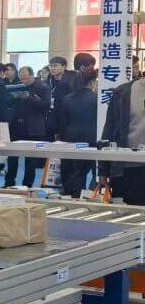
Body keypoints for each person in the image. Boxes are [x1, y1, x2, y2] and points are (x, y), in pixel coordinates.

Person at [101, 68, 145, 204]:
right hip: (127, 165)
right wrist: (103, 169)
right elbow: (109, 129)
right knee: (126, 212)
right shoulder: (123, 92)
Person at [5, 65, 50, 188]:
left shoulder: (43, 87)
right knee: (12, 157)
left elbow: (45, 106)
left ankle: (28, 184)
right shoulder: (17, 86)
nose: (23, 80)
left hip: (32, 128)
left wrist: (29, 97)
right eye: (21, 78)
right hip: (15, 126)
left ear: (32, 75)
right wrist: (14, 97)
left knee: (30, 159)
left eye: (26, 78)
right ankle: (9, 182)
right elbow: (7, 103)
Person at [58, 65, 98, 197]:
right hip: (93, 139)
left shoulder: (67, 98)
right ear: (92, 82)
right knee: (94, 171)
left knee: (75, 172)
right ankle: (90, 195)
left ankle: (74, 195)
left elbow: (63, 123)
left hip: (71, 139)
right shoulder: (97, 98)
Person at [47, 56, 72, 136]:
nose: (52, 68)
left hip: (65, 116)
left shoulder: (70, 81)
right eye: (51, 66)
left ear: (64, 67)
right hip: (51, 116)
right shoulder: (49, 80)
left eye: (55, 66)